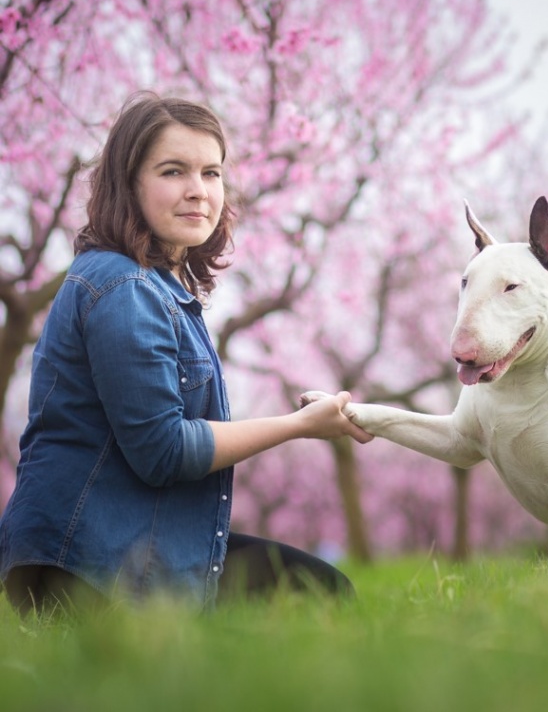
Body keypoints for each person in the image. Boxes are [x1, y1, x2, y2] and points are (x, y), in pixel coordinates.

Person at [0, 91, 372, 617]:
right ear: (128, 184)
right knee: (319, 599)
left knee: (317, 590)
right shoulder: (123, 286)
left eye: (211, 173)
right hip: (85, 569)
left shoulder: (152, 285)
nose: (198, 192)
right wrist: (298, 424)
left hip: (129, 549)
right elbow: (164, 450)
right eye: (173, 171)